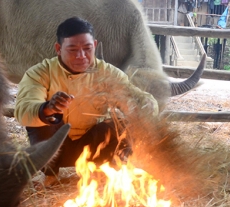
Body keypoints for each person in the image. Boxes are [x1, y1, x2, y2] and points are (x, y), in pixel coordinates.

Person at [14, 17, 158, 187]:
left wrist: (146, 105)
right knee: (41, 119)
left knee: (123, 125)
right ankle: (50, 174)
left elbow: (136, 97)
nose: (81, 56)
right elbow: (23, 110)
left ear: (95, 45)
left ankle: (107, 173)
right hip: (55, 147)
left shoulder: (107, 73)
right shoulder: (40, 73)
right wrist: (47, 109)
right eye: (73, 49)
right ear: (58, 49)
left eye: (87, 49)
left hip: (93, 145)